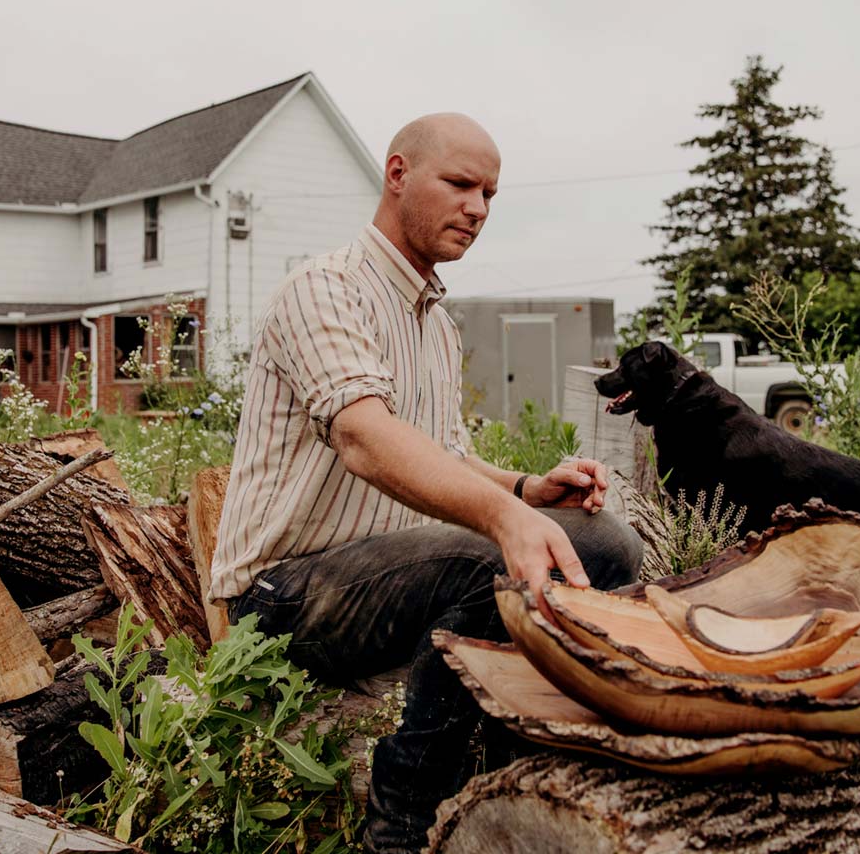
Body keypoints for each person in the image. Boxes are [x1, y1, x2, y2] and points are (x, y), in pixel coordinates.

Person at [209, 112, 643, 853]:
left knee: (606, 545)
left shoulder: (436, 322)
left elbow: (446, 454)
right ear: (398, 174)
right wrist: (504, 524)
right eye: (462, 183)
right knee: (492, 560)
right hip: (279, 598)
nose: (477, 208)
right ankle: (405, 814)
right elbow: (364, 438)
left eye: (491, 195)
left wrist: (529, 491)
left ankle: (518, 774)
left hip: (392, 575)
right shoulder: (324, 290)